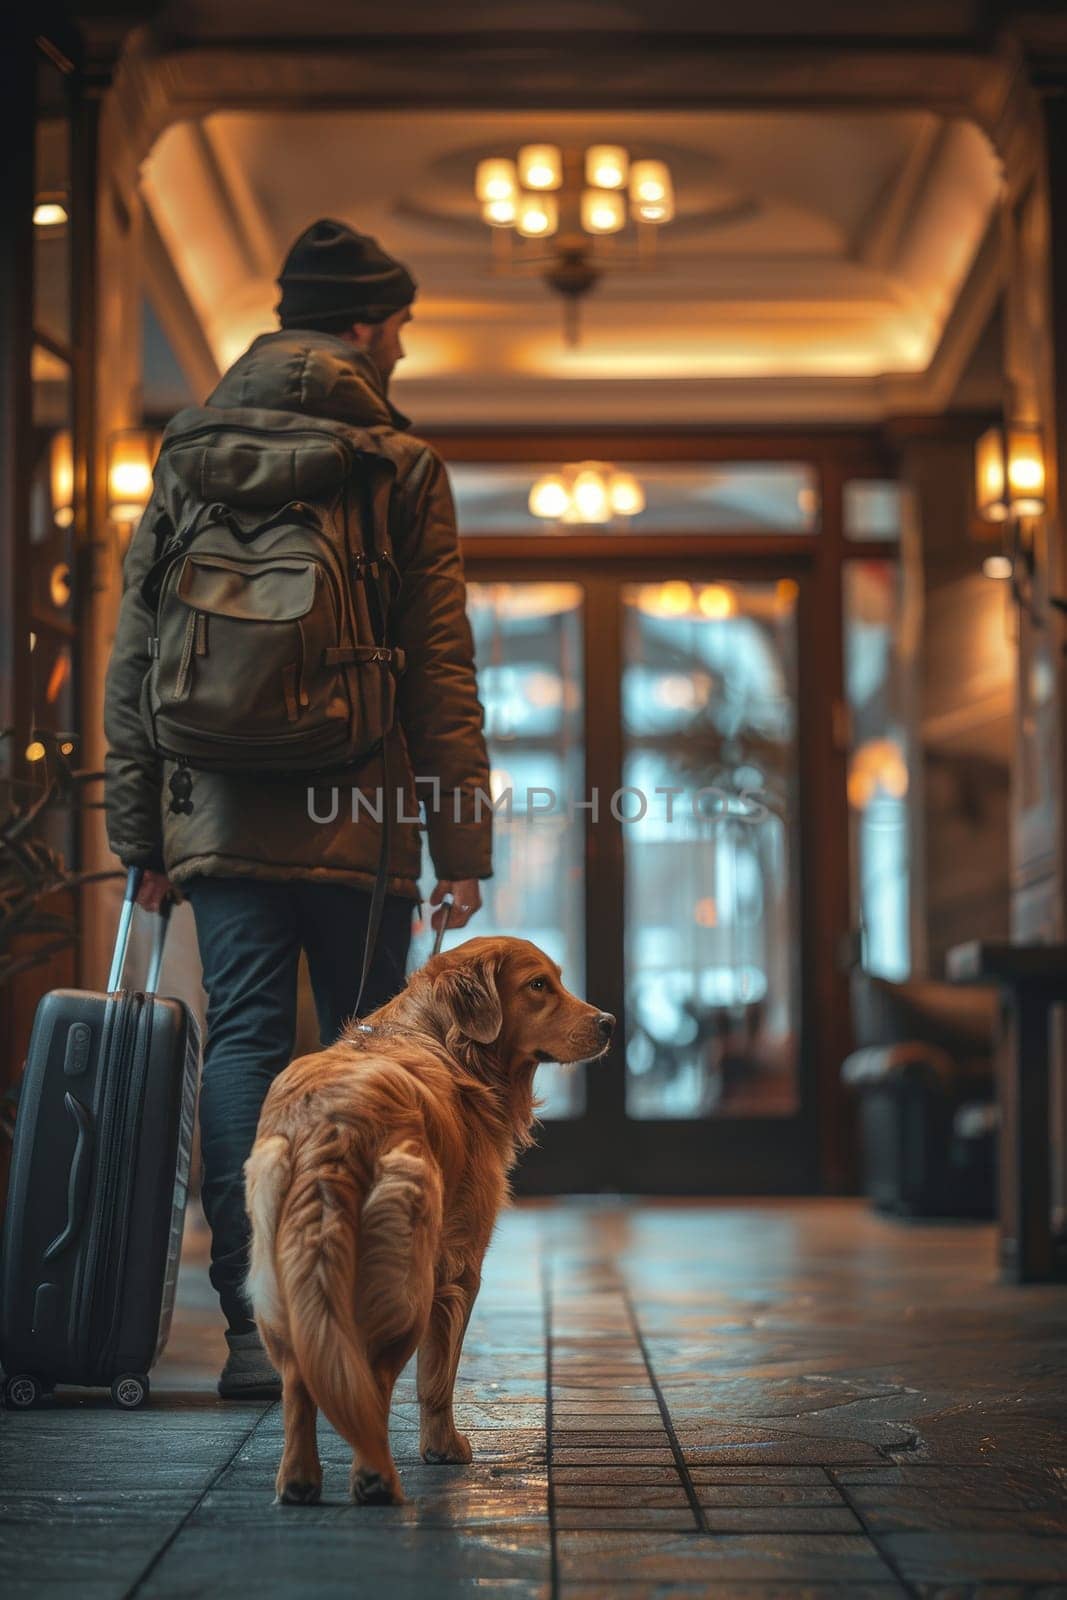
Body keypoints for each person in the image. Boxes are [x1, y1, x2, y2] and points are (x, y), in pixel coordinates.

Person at [103, 219, 492, 1397]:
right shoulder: (396, 461)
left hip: (214, 810)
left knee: (249, 1048)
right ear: (368, 325)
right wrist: (458, 840)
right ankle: (363, 1319)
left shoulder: (185, 450)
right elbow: (437, 663)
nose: (403, 353)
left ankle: (252, 1328)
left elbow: (134, 654)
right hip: (356, 812)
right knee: (373, 1063)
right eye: (401, 330)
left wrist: (140, 837)